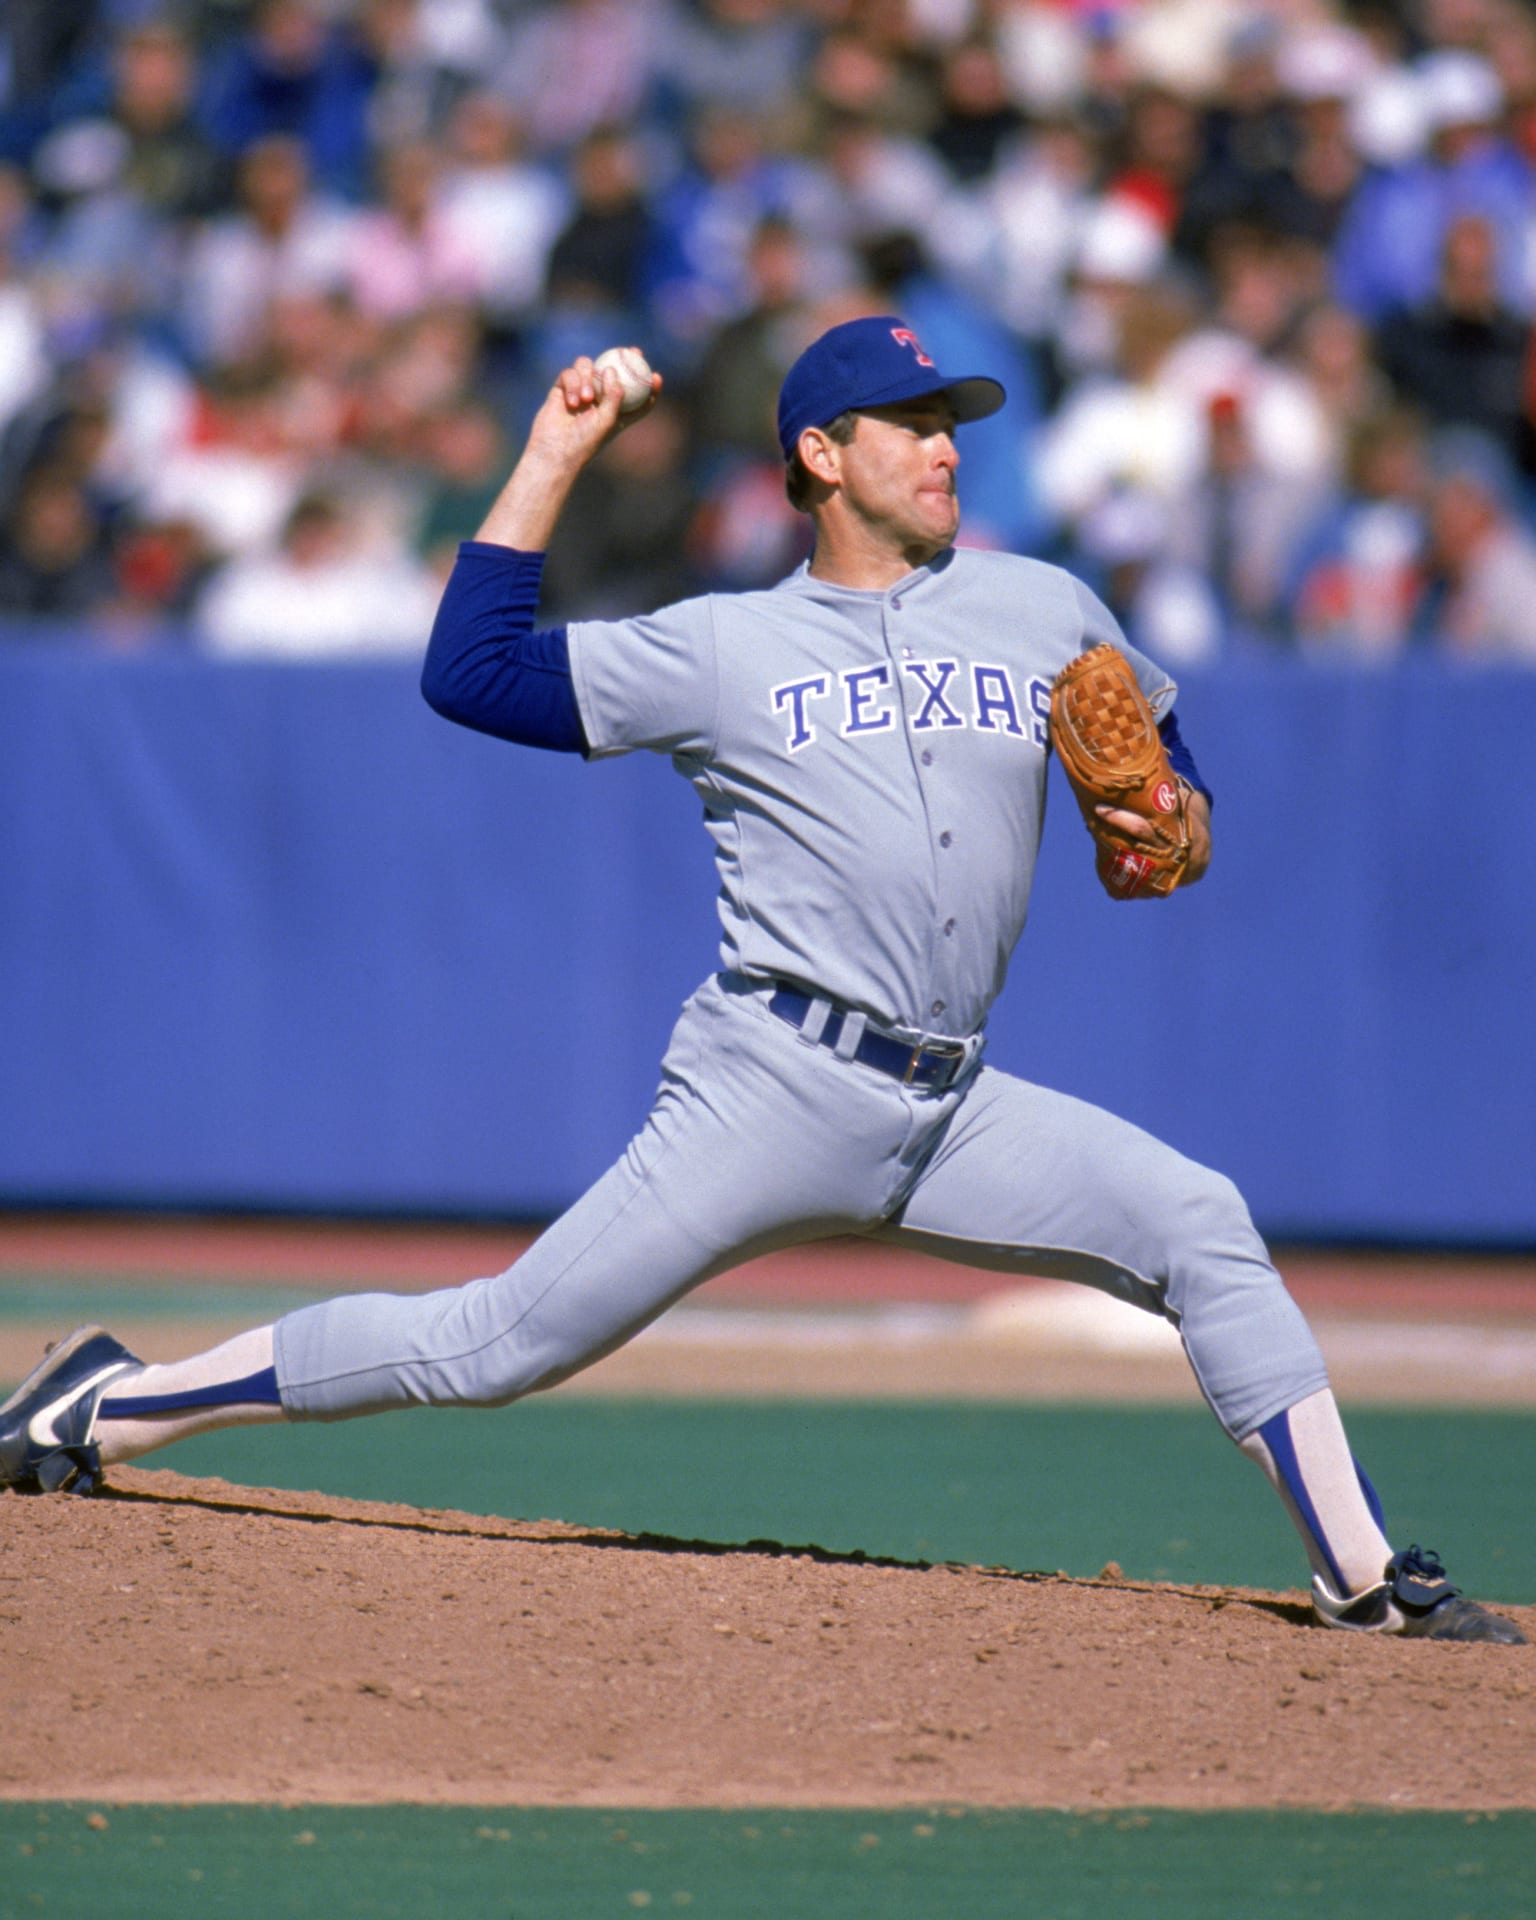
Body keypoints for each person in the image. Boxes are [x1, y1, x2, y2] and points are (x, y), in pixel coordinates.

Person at [0, 317, 1522, 1646]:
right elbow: (470, 676)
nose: (944, 449)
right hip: (772, 1087)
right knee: (498, 1343)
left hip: (954, 1102)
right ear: (821, 452)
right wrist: (554, 447)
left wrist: (1176, 819)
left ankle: (1367, 1576)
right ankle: (107, 1406)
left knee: (1200, 1220)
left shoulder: (1046, 605)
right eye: (912, 425)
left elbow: (1172, 790)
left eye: (952, 425)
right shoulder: (723, 645)